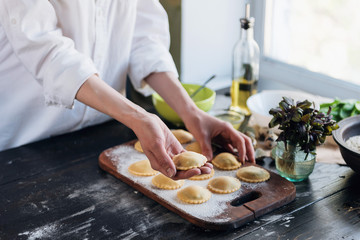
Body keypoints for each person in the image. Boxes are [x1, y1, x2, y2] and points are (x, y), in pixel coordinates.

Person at [0, 0, 254, 179]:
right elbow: (49, 52)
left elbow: (143, 38)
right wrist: (138, 116)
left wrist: (192, 113)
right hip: (26, 143)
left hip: (104, 132)